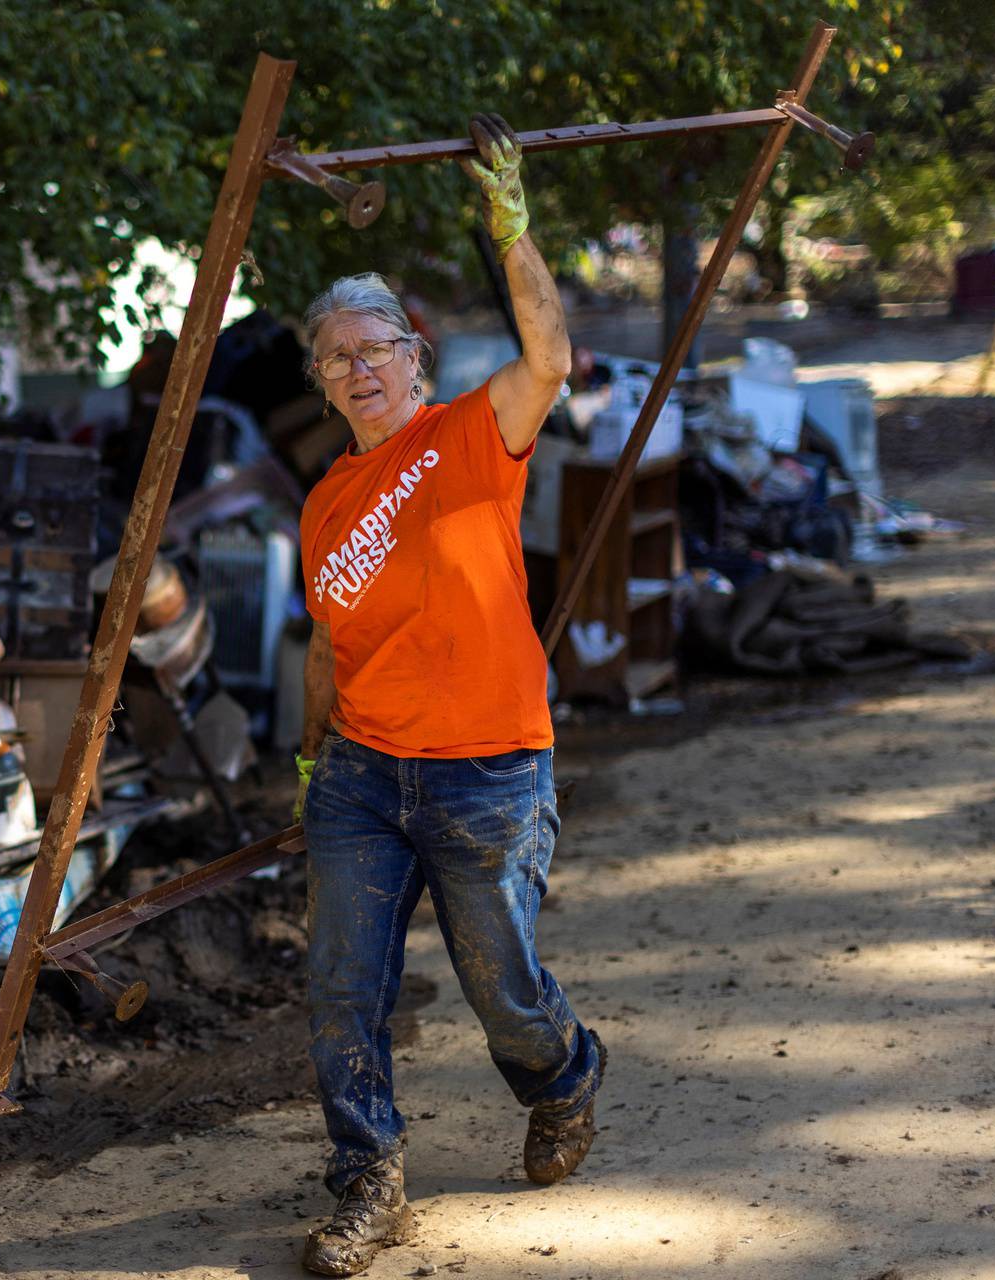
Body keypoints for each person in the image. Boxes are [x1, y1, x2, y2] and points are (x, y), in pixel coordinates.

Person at [293, 114, 604, 1278]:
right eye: (337, 356)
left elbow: (552, 358)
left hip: (488, 769)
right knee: (338, 979)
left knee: (501, 989)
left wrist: (510, 229)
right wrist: (311, 756)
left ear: (415, 357)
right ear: (322, 384)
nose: (360, 367)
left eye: (377, 345)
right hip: (363, 775)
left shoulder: (470, 436)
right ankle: (366, 1182)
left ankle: (564, 1070)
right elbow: (328, 643)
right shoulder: (324, 504)